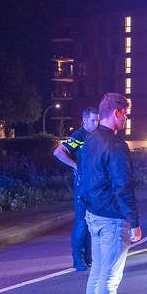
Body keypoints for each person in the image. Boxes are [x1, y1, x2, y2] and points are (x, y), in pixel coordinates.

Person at [79, 93, 142, 294]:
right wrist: (134, 220)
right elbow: (122, 185)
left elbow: (84, 176)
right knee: (110, 278)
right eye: (125, 113)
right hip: (113, 217)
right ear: (117, 113)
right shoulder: (116, 145)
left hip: (93, 215)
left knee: (97, 274)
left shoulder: (90, 140)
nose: (126, 118)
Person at [54, 107, 100, 271]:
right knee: (81, 222)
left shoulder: (96, 135)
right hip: (82, 186)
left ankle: (88, 258)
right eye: (93, 120)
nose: (96, 123)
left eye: (98, 120)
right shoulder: (79, 136)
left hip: (93, 185)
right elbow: (59, 152)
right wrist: (76, 167)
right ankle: (78, 259)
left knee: (90, 222)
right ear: (85, 120)